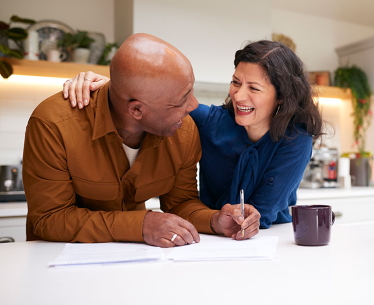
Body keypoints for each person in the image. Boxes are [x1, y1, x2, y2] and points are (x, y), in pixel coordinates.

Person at [23, 33, 260, 248]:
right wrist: (141, 225)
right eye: (181, 100)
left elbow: (180, 203)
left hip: (136, 262)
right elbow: (49, 218)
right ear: (136, 110)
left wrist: (215, 220)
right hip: (56, 263)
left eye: (191, 91)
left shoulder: (183, 129)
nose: (193, 106)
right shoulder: (53, 124)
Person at [64, 40, 323, 228]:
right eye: (236, 82)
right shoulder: (211, 122)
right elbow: (156, 101)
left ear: (282, 98)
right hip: (211, 230)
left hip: (267, 237)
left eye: (253, 88)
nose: (238, 96)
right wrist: (108, 86)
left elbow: (262, 212)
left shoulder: (296, 139)